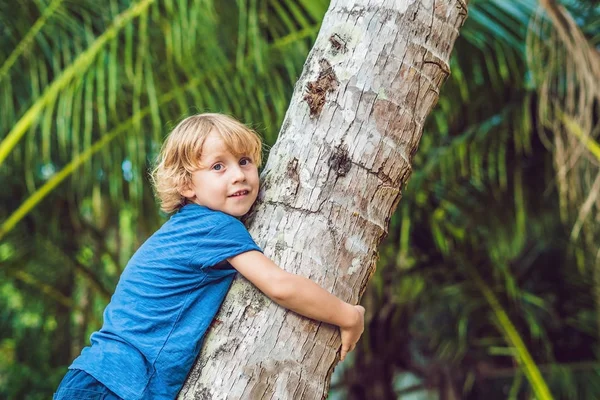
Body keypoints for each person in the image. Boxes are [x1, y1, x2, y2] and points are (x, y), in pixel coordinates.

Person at [53, 113, 365, 400]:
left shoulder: (188, 227)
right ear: (186, 185)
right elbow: (279, 285)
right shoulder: (215, 226)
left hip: (98, 379)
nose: (238, 175)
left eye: (244, 161)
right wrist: (347, 315)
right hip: (116, 386)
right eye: (218, 166)